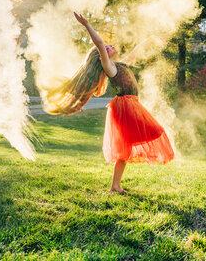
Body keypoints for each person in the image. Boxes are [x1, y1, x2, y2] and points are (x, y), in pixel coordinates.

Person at [41, 12, 174, 194]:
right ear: (102, 57)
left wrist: (150, 39)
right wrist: (87, 25)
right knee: (140, 141)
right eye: (106, 48)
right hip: (125, 107)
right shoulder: (109, 68)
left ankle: (115, 186)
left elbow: (135, 53)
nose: (109, 46)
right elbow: (99, 44)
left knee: (128, 148)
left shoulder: (120, 65)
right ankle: (115, 186)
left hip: (131, 105)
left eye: (108, 46)